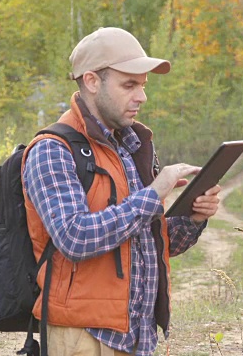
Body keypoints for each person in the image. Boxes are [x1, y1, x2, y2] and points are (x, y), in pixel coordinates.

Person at [22, 27, 220, 356]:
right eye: (129, 85)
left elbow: (145, 242)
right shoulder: (52, 149)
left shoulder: (130, 147)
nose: (142, 96)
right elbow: (74, 237)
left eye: (142, 85)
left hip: (136, 337)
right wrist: (154, 193)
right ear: (91, 81)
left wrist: (193, 218)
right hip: (82, 337)